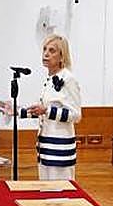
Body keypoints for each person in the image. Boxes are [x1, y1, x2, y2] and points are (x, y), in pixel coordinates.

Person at [25, 36, 83, 181]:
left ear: (62, 56)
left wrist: (47, 111)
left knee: (59, 192)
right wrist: (16, 111)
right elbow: (42, 111)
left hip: (60, 149)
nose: (46, 54)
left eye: (52, 51)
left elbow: (76, 115)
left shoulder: (68, 79)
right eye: (45, 49)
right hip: (45, 147)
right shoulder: (50, 79)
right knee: (45, 191)